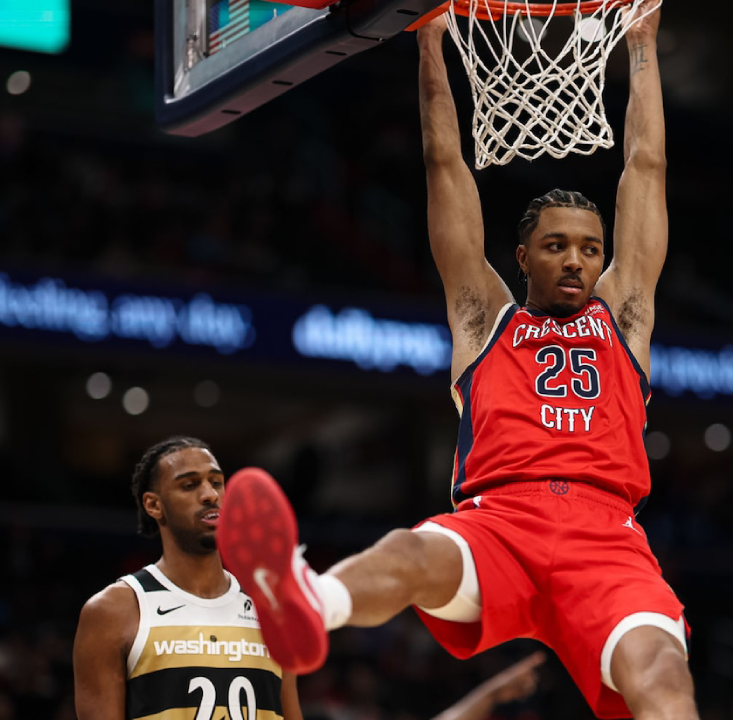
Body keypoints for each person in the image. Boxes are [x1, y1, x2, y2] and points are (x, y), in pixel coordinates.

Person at [219, 2, 696, 719]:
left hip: (607, 537)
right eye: (557, 244)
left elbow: (646, 166)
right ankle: (308, 603)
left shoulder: (624, 316)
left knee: (661, 674)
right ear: (523, 256)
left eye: (590, 248)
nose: (575, 260)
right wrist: (431, 41)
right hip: (499, 522)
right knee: (408, 553)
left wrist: (644, 44)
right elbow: (446, 166)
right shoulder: (484, 317)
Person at [72, 437, 302, 720]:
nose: (210, 495)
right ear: (154, 505)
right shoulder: (113, 611)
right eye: (189, 485)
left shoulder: (268, 604)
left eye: (216, 482)